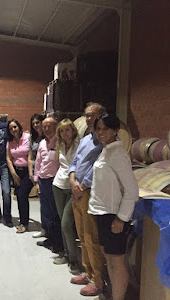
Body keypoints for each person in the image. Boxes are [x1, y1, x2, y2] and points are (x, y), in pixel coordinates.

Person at [89, 114, 138, 300]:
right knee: (109, 257)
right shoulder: (106, 150)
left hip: (114, 216)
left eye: (105, 129)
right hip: (103, 213)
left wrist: (121, 218)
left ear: (115, 130)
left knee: (117, 261)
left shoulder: (118, 154)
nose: (101, 132)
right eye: (98, 128)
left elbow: (132, 190)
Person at [68, 102, 107, 297]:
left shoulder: (103, 140)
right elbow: (75, 162)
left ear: (101, 116)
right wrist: (73, 180)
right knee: (82, 235)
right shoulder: (85, 140)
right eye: (87, 115)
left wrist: (82, 185)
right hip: (77, 190)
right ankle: (87, 271)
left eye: (93, 115)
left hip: (89, 192)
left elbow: (99, 165)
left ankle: (98, 281)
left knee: (92, 237)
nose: (89, 119)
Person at [51, 119, 81, 272]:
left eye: (67, 130)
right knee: (64, 223)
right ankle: (67, 254)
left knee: (66, 223)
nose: (64, 133)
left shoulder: (79, 145)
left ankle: (74, 259)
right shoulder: (60, 145)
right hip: (58, 185)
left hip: (73, 187)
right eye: (61, 131)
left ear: (73, 130)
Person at [34, 117, 63, 253]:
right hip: (42, 180)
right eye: (44, 126)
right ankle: (50, 239)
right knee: (45, 211)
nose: (46, 129)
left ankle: (57, 243)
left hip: (54, 180)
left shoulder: (60, 142)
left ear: (56, 127)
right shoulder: (41, 143)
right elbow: (38, 162)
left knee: (54, 213)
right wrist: (36, 180)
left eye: (49, 126)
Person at [6, 119, 34, 233]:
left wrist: (32, 173)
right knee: (19, 196)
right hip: (17, 171)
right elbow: (8, 158)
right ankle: (23, 221)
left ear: (19, 127)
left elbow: (31, 155)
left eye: (15, 127)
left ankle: (24, 223)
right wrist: (14, 174)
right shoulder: (10, 141)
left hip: (28, 171)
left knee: (22, 195)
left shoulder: (28, 137)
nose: (13, 130)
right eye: (11, 128)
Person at [27, 114, 46, 238]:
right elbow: (30, 157)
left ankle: (48, 228)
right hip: (34, 172)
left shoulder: (49, 137)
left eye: (38, 123)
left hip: (45, 173)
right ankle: (43, 227)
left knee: (46, 202)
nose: (36, 126)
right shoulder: (33, 139)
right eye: (33, 123)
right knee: (42, 201)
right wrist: (31, 173)